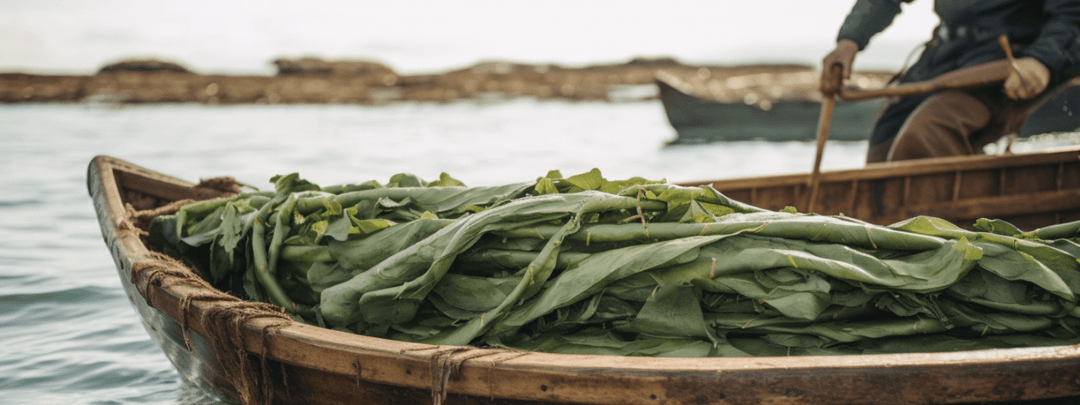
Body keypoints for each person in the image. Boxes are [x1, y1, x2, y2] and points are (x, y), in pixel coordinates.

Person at [822, 0, 1080, 163]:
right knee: (884, 137)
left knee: (928, 132)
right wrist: (849, 41)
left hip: (1011, 63)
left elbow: (1071, 13)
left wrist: (1043, 60)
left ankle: (956, 236)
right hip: (945, 56)